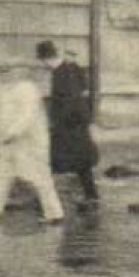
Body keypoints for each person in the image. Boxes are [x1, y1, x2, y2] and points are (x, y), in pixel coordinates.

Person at [0, 64, 65, 224]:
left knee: (39, 177)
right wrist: (1, 135)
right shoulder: (4, 90)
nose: (3, 74)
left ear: (18, 71)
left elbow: (27, 115)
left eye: (7, 70)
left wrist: (13, 132)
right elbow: (1, 116)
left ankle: (54, 213)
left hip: (29, 142)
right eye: (2, 71)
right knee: (0, 175)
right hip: (8, 141)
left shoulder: (27, 89)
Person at [36, 40, 99, 206]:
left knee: (51, 160)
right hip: (74, 125)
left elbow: (69, 101)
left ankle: (46, 200)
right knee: (80, 163)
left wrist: (56, 123)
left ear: (47, 58)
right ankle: (91, 194)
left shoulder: (61, 73)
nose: (43, 65)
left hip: (70, 126)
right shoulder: (66, 70)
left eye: (43, 61)